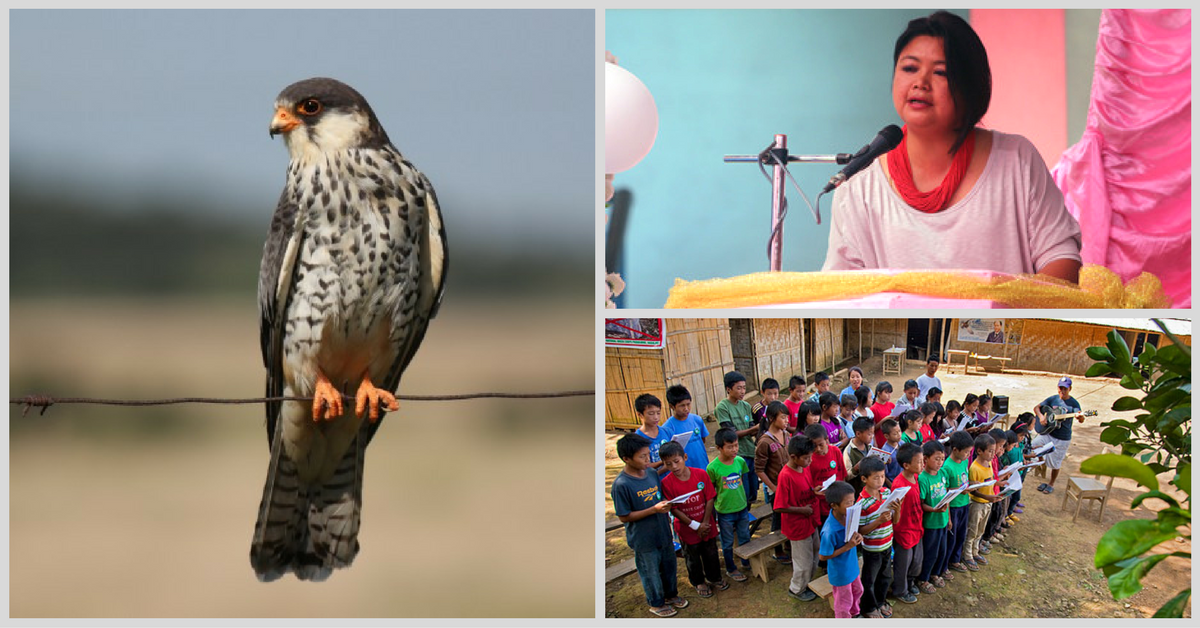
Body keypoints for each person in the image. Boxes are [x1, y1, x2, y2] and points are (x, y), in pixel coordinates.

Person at [823, 10, 1083, 282]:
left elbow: (1061, 259)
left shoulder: (1016, 160)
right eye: (910, 68)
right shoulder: (859, 185)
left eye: (940, 72)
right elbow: (841, 290)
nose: (920, 83)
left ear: (970, 86)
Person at [611, 434, 688, 617]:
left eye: (648, 455)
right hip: (643, 539)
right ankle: (656, 603)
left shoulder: (652, 474)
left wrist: (666, 503)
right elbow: (624, 516)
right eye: (642, 457)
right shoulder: (622, 484)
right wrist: (654, 509)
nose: (648, 460)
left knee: (669, 565)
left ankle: (671, 595)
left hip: (663, 531)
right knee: (650, 571)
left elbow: (658, 498)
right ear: (626, 459)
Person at [658, 442, 729, 599]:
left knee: (711, 552)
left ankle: (714, 577)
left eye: (677, 461)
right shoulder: (666, 483)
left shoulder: (700, 474)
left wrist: (704, 523)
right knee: (692, 555)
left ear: (685, 457)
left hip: (707, 523)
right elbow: (673, 508)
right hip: (687, 528)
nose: (674, 467)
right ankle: (698, 582)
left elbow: (709, 498)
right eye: (668, 464)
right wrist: (694, 525)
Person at [774, 434, 823, 602]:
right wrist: (802, 510)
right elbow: (779, 506)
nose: (810, 461)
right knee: (803, 560)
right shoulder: (785, 476)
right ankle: (797, 589)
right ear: (793, 457)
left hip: (810, 520)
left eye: (810, 457)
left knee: (815, 551)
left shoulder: (804, 468)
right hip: (798, 525)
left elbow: (806, 488)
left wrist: (813, 490)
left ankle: (808, 582)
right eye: (806, 458)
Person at [708, 427, 752, 582]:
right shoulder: (712, 468)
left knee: (745, 536)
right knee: (727, 542)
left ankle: (747, 561)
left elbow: (744, 481)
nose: (734, 449)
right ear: (719, 448)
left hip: (742, 508)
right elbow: (711, 491)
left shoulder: (740, 461)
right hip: (725, 511)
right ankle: (731, 568)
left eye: (736, 445)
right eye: (730, 446)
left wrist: (746, 500)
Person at [857, 457, 898, 618]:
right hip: (872, 548)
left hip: (887, 543)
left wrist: (898, 508)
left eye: (882, 476)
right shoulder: (862, 503)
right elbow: (861, 530)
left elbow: (895, 520)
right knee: (869, 580)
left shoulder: (886, 493)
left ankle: (880, 602)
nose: (881, 480)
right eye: (876, 477)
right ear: (864, 479)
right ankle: (869, 607)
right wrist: (878, 520)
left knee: (885, 576)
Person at [818, 481, 865, 618]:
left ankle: (855, 613)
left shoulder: (848, 516)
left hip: (852, 566)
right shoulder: (829, 531)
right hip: (840, 573)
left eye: (853, 501)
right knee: (844, 601)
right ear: (834, 506)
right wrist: (848, 547)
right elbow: (823, 556)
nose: (853, 505)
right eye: (848, 503)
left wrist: (857, 537)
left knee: (858, 590)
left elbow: (853, 534)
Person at [1031, 376, 1083, 494]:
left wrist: (1080, 416)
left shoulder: (1074, 403)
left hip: (1062, 437)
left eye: (1065, 388)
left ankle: (1051, 483)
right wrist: (1041, 416)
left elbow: (1081, 419)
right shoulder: (1053, 399)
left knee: (1056, 463)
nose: (1062, 391)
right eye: (1060, 388)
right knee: (1033, 445)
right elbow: (1037, 408)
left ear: (1070, 388)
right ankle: (1040, 462)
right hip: (1048, 432)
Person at [755, 401, 793, 564]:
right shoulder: (765, 442)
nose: (786, 421)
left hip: (789, 484)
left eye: (787, 417)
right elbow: (759, 469)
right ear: (771, 418)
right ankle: (777, 550)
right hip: (775, 489)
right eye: (783, 417)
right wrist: (773, 487)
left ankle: (788, 545)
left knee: (789, 516)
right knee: (777, 519)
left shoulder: (786, 435)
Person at [715, 371, 759, 505]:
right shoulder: (722, 407)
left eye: (744, 387)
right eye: (738, 388)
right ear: (729, 389)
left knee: (753, 489)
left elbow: (752, 428)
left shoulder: (745, 406)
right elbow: (730, 434)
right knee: (742, 489)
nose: (742, 391)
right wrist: (754, 428)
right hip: (737, 454)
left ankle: (749, 516)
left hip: (750, 451)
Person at [890, 442, 925, 604]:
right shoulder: (899, 486)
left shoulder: (916, 477)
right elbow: (894, 514)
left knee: (916, 561)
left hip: (917, 527)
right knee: (902, 564)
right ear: (906, 465)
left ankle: (910, 583)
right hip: (904, 530)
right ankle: (900, 590)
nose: (922, 464)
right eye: (918, 462)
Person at [965, 434, 1004, 567]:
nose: (993, 454)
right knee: (972, 530)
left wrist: (1000, 484)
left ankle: (975, 551)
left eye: (994, 451)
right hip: (977, 504)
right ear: (979, 451)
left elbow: (989, 482)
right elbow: (974, 489)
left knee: (981, 530)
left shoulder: (988, 464)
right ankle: (967, 555)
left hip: (988, 503)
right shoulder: (974, 468)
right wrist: (988, 497)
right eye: (990, 451)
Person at [917, 440, 951, 593]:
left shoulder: (943, 473)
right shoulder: (923, 479)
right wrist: (934, 510)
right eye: (936, 459)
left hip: (943, 521)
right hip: (930, 523)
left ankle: (935, 573)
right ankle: (923, 578)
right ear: (925, 459)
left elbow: (947, 497)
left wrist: (948, 518)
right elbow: (921, 504)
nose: (940, 462)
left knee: (942, 550)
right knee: (930, 552)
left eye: (942, 459)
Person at [941, 430, 975, 572]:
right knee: (951, 537)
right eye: (966, 452)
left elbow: (964, 481)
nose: (968, 455)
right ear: (955, 450)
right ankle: (945, 564)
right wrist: (961, 490)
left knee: (961, 534)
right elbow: (946, 490)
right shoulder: (947, 467)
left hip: (964, 503)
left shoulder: (964, 461)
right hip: (953, 507)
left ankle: (955, 559)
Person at [804, 423, 848, 523]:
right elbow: (807, 480)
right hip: (820, 502)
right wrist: (813, 490)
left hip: (837, 499)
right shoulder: (809, 459)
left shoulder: (835, 451)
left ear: (827, 439)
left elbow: (842, 473)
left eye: (821, 445)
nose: (818, 449)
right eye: (814, 446)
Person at [661, 385, 710, 469]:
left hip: (703, 466)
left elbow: (703, 440)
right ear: (672, 406)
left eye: (688, 404)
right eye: (682, 405)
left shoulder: (697, 420)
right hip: (684, 471)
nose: (686, 408)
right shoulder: (667, 428)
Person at [633, 394, 670, 474]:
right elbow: (641, 466)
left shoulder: (667, 432)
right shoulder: (637, 439)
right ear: (640, 415)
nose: (656, 417)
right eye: (651, 414)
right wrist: (663, 464)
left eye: (658, 413)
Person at [843, 417, 875, 494]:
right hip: (858, 491)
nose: (872, 436)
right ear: (858, 434)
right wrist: (856, 469)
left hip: (871, 488)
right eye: (869, 434)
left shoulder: (869, 447)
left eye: (873, 433)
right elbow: (846, 476)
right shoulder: (849, 451)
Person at [871, 381, 896, 447]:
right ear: (879, 393)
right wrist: (884, 420)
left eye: (890, 392)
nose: (889, 395)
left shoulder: (891, 405)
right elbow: (873, 428)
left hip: (892, 438)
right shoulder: (873, 409)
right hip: (881, 439)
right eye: (886, 392)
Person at [879, 419, 904, 483]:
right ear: (886, 436)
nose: (899, 435)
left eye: (899, 431)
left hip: (903, 479)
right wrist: (891, 485)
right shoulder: (885, 452)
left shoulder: (902, 444)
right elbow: (884, 474)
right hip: (893, 481)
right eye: (895, 434)